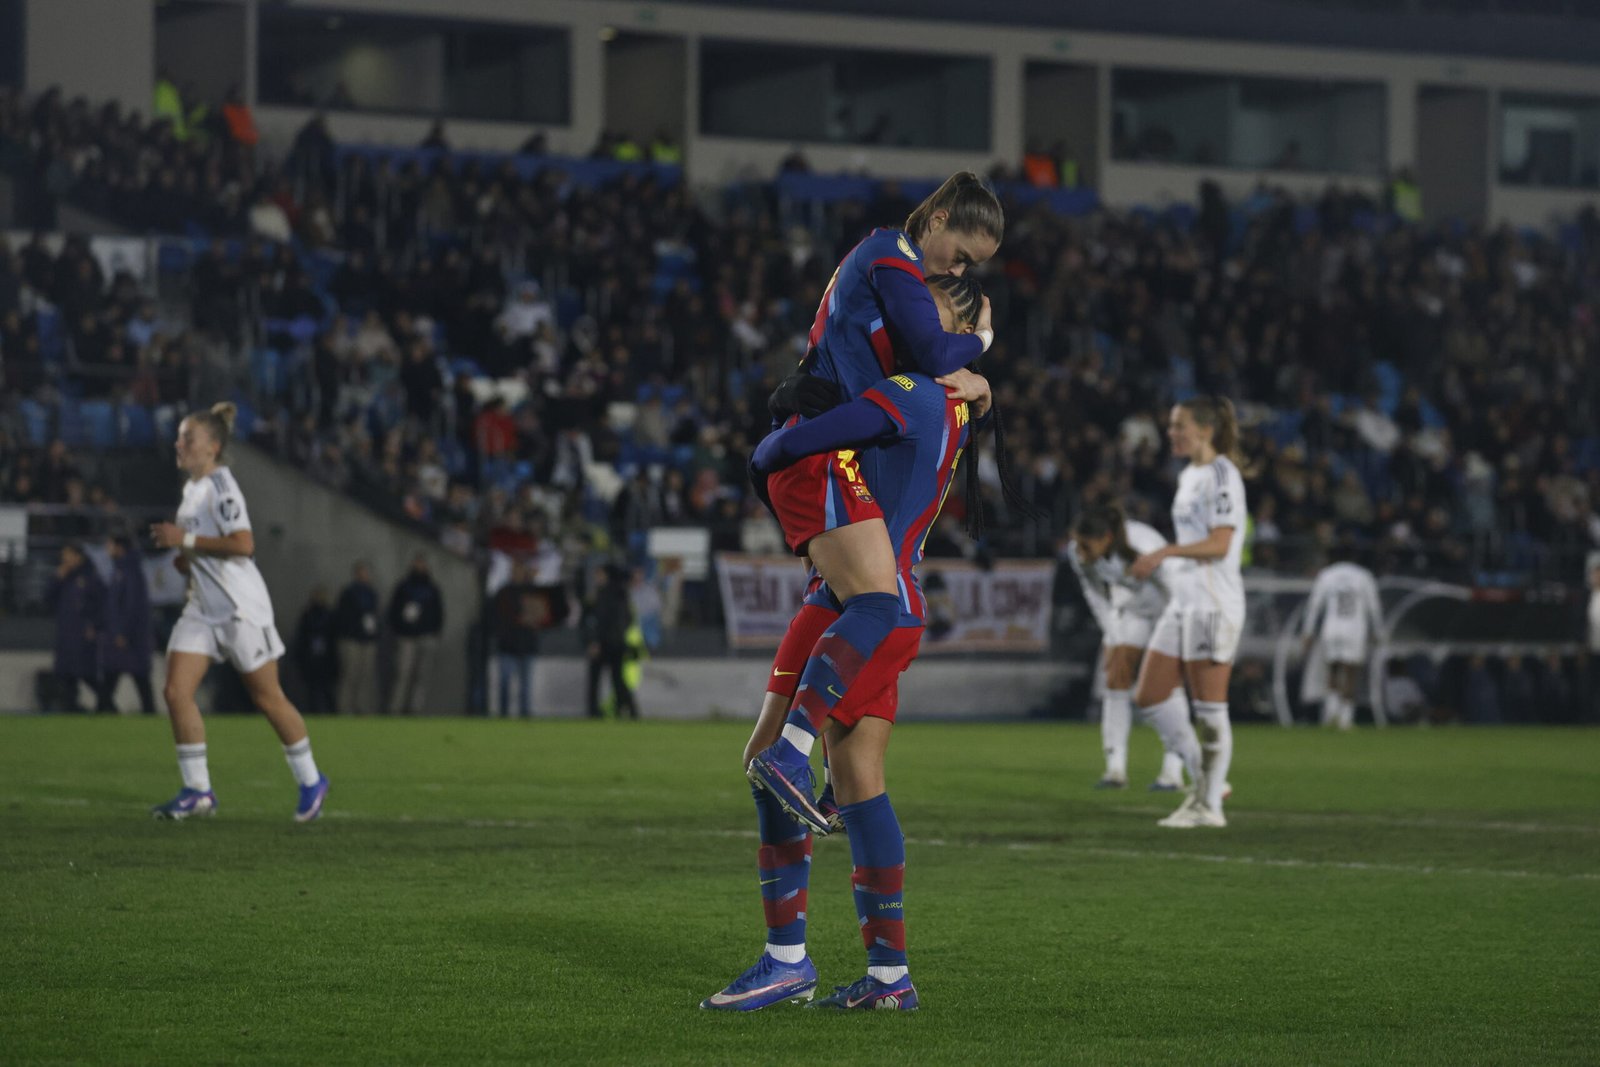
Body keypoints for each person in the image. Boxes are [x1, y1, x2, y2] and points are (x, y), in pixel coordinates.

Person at [703, 273, 989, 1014]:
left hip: (855, 602)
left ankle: (785, 959)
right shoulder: (954, 401)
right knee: (861, 781)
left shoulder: (915, 389)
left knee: (770, 765)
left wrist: (768, 450)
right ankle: (890, 978)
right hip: (896, 598)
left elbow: (818, 433)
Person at [745, 172, 1002, 831]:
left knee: (846, 620)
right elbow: (932, 350)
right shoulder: (892, 253)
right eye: (964, 256)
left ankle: (788, 931)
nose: (960, 270)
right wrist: (980, 344)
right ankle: (793, 752)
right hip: (826, 458)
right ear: (938, 217)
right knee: (879, 603)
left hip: (833, 454)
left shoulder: (894, 289)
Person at [146, 402, 328, 821]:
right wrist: (185, 557)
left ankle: (311, 779)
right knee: (175, 692)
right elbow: (200, 546)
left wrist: (186, 541)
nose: (179, 444)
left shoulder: (221, 487)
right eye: (179, 437)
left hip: (240, 609)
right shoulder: (192, 489)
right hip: (203, 607)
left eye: (187, 438)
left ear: (211, 446)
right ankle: (198, 790)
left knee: (268, 698)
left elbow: (244, 544)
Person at [1129, 396, 1248, 829]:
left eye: (1179, 425)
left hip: (1213, 603)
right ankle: (1205, 786)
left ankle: (1209, 804)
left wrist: (1166, 552)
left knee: (1211, 709)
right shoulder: (1190, 475)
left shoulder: (1221, 474)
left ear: (1205, 430)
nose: (1171, 433)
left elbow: (1220, 543)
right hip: (1185, 599)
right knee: (1149, 693)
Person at [1067, 503, 1192, 791]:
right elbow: (1094, 592)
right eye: (1078, 544)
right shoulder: (1079, 555)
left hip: (1168, 611)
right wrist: (1111, 630)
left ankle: (1172, 771)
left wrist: (1179, 630)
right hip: (1131, 611)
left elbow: (1177, 586)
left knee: (1166, 688)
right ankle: (1115, 769)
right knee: (1115, 682)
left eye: (1087, 546)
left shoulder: (1144, 545)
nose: (1080, 552)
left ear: (1106, 539)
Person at [1300, 555, 1383, 730]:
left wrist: (1308, 631)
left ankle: (1330, 715)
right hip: (1354, 629)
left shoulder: (1327, 574)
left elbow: (1314, 604)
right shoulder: (1363, 575)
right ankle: (1345, 718)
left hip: (1332, 628)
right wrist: (1378, 631)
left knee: (1332, 671)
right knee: (1351, 673)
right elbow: (1373, 606)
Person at [97, 534, 156, 715]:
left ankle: (147, 711)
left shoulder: (129, 572)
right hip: (125, 634)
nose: (107, 549)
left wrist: (122, 632)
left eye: (110, 545)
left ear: (120, 548)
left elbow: (130, 605)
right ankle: (104, 709)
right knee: (115, 675)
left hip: (129, 637)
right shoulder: (123, 569)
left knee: (131, 675)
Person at [387, 554, 444, 715]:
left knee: (422, 676)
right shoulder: (404, 587)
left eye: (422, 564)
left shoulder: (432, 588)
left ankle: (415, 709)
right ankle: (395, 708)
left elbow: (438, 613)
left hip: (426, 636)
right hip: (406, 637)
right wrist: (399, 628)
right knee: (402, 673)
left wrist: (435, 631)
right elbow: (394, 611)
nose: (420, 567)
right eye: (417, 564)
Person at [49, 543, 104, 713]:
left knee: (87, 674)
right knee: (66, 676)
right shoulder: (62, 577)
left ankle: (106, 705)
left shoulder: (91, 577)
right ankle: (71, 708)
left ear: (78, 556)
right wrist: (56, 580)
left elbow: (101, 605)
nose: (65, 559)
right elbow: (47, 600)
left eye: (68, 555)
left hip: (83, 634)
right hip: (65, 633)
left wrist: (94, 625)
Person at [491, 560, 544, 719]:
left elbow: (539, 618)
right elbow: (495, 618)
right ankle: (503, 715)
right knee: (505, 683)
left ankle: (524, 716)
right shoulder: (503, 592)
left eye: (519, 570)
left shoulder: (532, 592)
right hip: (507, 645)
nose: (516, 574)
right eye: (514, 570)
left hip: (527, 645)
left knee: (525, 686)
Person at [583, 564, 637, 719]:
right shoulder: (621, 593)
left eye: (599, 574)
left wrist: (594, 641)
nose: (597, 578)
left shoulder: (602, 594)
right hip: (616, 642)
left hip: (605, 643)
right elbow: (628, 619)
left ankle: (595, 712)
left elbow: (596, 620)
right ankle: (627, 709)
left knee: (599, 680)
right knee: (617, 679)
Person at [335, 561, 380, 715]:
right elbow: (342, 617)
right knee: (350, 675)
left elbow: (374, 617)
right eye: (362, 572)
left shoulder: (372, 593)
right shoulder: (348, 593)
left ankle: (362, 708)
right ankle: (344, 708)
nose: (364, 575)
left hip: (367, 641)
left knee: (365, 676)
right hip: (351, 639)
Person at [292, 586, 339, 715]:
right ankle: (314, 711)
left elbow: (333, 638)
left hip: (326, 658)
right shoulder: (308, 615)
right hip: (311, 658)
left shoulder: (330, 615)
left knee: (327, 689)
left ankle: (332, 712)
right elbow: (302, 638)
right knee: (313, 689)